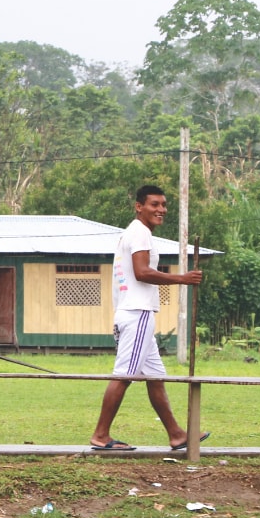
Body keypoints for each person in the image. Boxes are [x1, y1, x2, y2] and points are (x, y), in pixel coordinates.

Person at [89, 184, 205, 452]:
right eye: (154, 204)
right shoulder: (139, 233)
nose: (161, 210)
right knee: (124, 375)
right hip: (137, 313)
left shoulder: (133, 232)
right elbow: (142, 272)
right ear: (139, 206)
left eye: (164, 205)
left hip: (134, 313)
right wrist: (181, 279)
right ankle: (100, 435)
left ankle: (177, 434)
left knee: (154, 377)